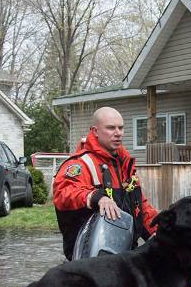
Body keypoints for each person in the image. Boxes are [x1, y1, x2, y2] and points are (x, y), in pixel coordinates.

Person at [53, 106, 159, 260]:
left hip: (124, 256)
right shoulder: (81, 164)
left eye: (121, 128)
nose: (118, 133)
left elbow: (140, 207)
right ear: (95, 131)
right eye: (111, 128)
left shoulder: (125, 165)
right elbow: (63, 193)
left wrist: (163, 230)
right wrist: (96, 197)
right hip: (89, 261)